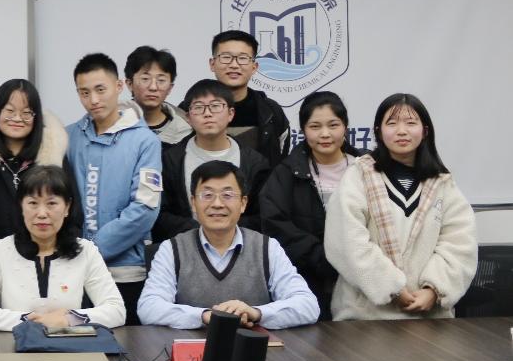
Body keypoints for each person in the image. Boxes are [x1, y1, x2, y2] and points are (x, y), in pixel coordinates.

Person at [324, 94, 477, 321]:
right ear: (378, 132)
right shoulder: (358, 176)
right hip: (364, 318)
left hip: (429, 319)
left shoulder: (443, 183)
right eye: (392, 123)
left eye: (411, 123)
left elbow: (459, 242)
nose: (402, 131)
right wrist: (391, 288)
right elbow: (347, 241)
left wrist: (434, 289)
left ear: (425, 131)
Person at [138, 161, 319, 329]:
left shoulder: (267, 247)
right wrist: (205, 316)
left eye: (227, 195)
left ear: (243, 203)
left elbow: (308, 305)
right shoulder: (172, 249)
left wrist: (256, 313)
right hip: (191, 348)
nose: (217, 204)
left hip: (253, 346)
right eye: (207, 195)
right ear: (193, 203)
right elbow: (148, 307)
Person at [64, 54, 162, 325]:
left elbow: (145, 208)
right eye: (84, 93)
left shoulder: (145, 141)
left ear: (119, 86)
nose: (93, 100)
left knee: (126, 345)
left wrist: (92, 250)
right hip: (72, 272)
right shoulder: (68, 136)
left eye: (100, 89)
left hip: (125, 272)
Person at [0, 166, 125, 331]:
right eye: (33, 203)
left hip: (71, 345)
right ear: (21, 207)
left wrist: (69, 319)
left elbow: (116, 310)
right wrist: (31, 321)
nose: (42, 213)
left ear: (67, 207)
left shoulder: (86, 251)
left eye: (51, 203)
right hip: (14, 344)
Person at [260, 91, 365, 320]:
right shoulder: (286, 173)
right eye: (315, 126)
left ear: (345, 127)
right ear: (303, 130)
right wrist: (322, 258)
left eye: (333, 125)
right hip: (309, 284)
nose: (325, 134)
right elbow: (275, 225)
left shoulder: (367, 168)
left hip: (365, 283)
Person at [154, 79, 269, 243]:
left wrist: (224, 231)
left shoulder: (255, 162)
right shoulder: (170, 160)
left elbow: (262, 216)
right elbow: (159, 214)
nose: (207, 114)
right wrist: (198, 232)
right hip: (184, 247)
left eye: (215, 106)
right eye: (198, 107)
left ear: (231, 114)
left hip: (240, 247)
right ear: (188, 118)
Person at [0, 78, 67, 244]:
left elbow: (72, 213)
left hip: (45, 252)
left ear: (36, 117)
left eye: (26, 113)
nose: (17, 118)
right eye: (9, 110)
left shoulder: (53, 159)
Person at [195, 30, 290, 168]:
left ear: (254, 67)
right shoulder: (191, 109)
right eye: (226, 57)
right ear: (212, 64)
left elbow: (282, 166)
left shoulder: (271, 112)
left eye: (243, 58)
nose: (234, 65)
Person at [123, 45, 190, 147]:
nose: (153, 87)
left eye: (161, 80)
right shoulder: (110, 125)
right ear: (129, 84)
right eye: (145, 79)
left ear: (170, 88)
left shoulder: (184, 132)